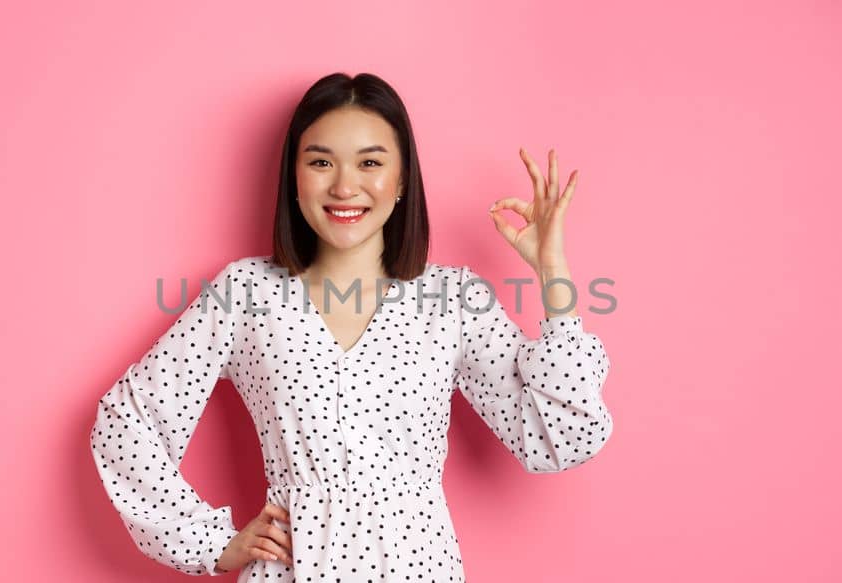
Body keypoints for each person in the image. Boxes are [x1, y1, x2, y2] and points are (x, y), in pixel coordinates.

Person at [89, 72, 614, 581]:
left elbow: (560, 439)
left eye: (370, 162)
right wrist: (209, 542)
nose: (344, 186)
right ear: (294, 175)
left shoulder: (454, 300)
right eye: (321, 162)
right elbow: (127, 423)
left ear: (402, 177)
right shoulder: (244, 294)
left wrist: (553, 273)